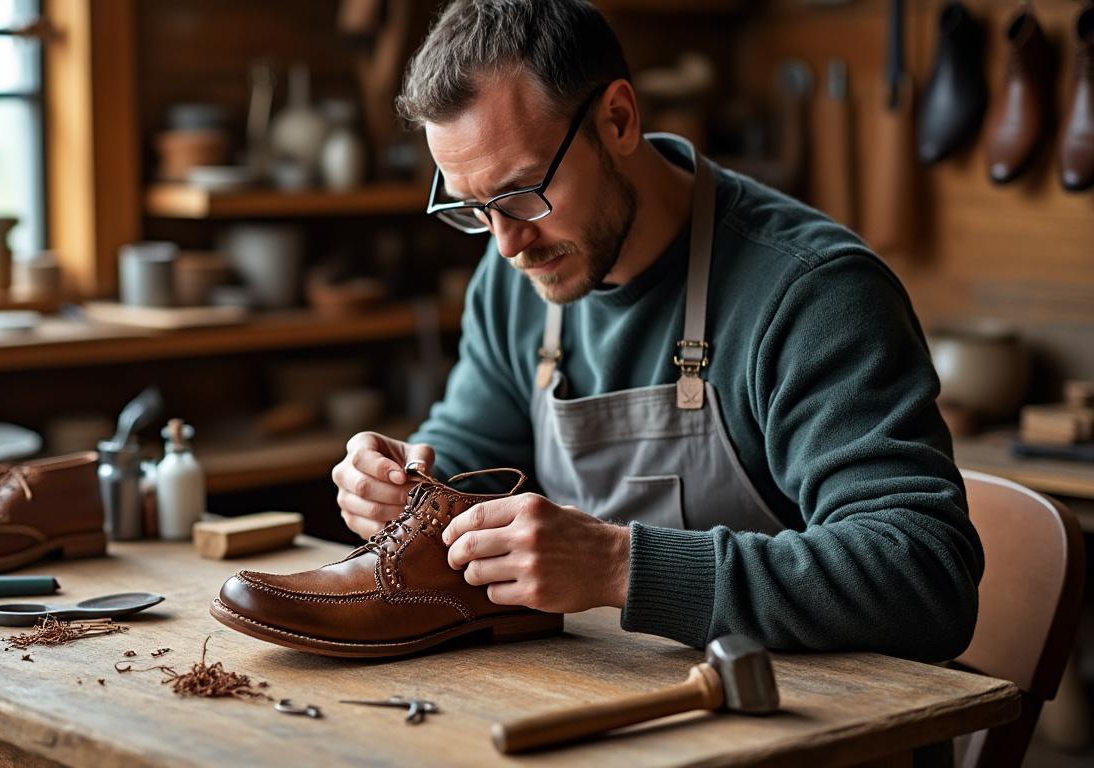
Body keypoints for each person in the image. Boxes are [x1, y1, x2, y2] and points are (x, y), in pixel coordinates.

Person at [331, 0, 982, 662]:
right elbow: (470, 449)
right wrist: (404, 484)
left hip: (816, 721)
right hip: (613, 696)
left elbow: (926, 576)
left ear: (618, 119)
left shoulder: (813, 292)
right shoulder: (518, 276)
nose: (507, 244)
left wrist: (621, 566)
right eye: (474, 208)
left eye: (525, 190)